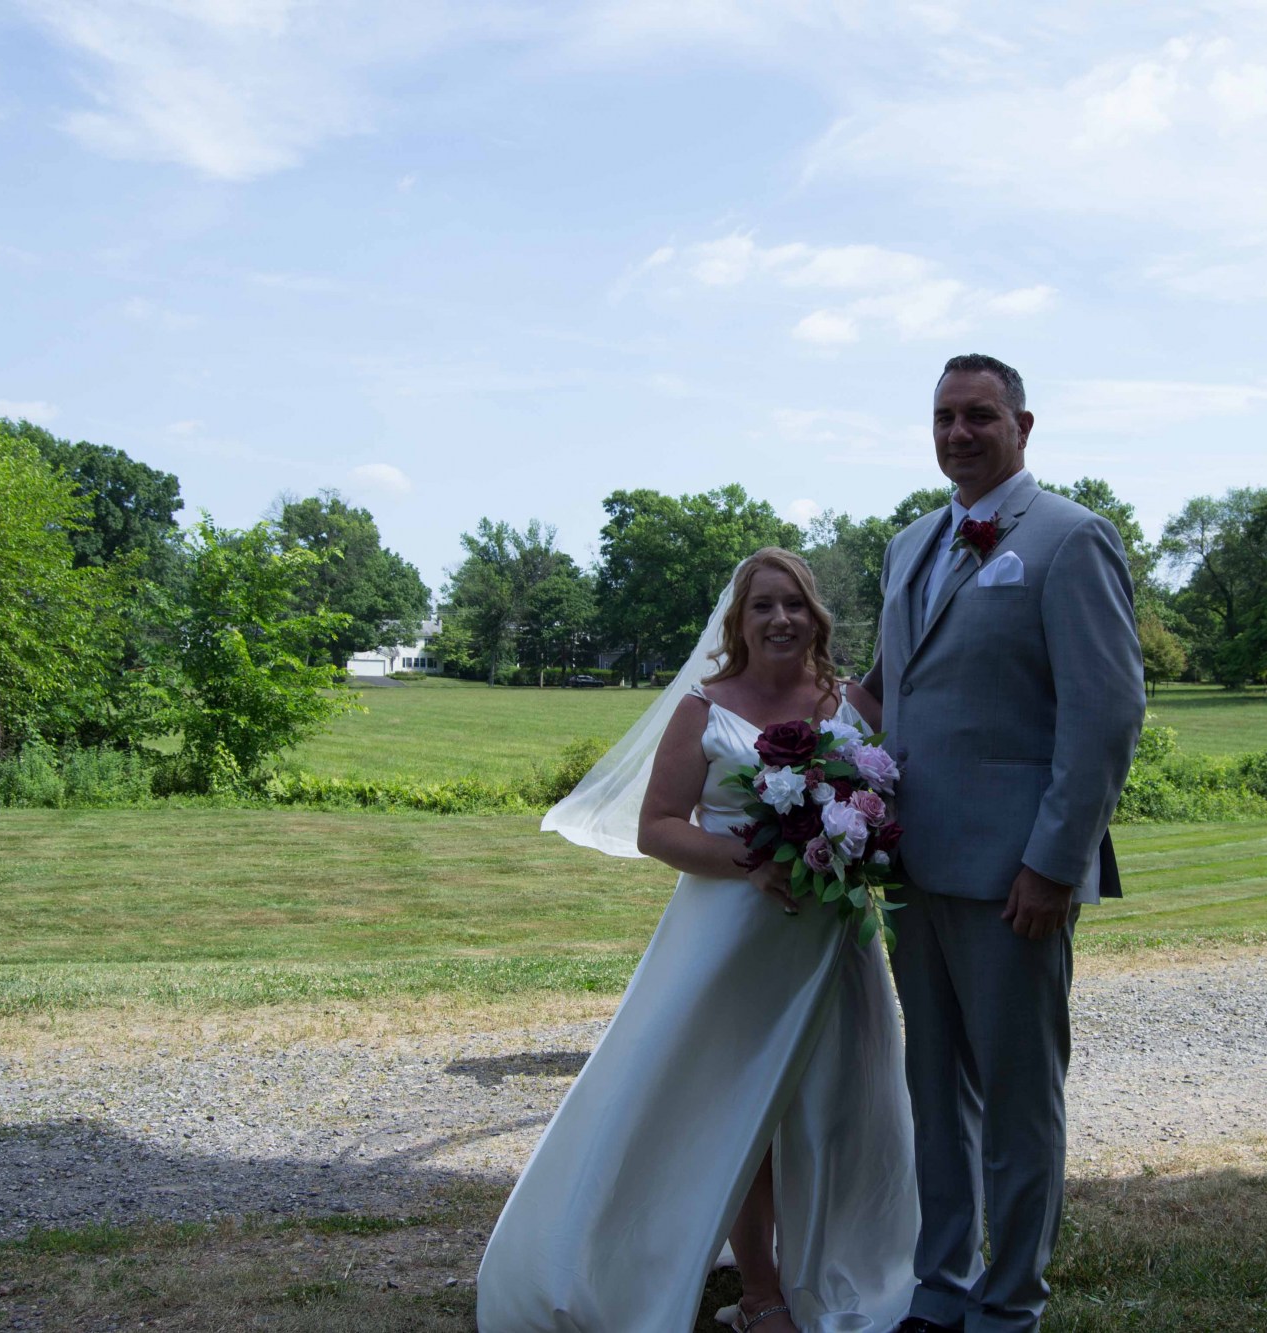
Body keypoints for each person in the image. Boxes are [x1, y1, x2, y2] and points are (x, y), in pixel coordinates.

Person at [475, 547, 918, 1333]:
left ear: (815, 616)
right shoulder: (703, 709)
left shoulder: (851, 705)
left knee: (840, 1105)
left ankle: (840, 1266)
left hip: (834, 943)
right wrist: (755, 860)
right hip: (731, 946)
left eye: (794, 603)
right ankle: (762, 1291)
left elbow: (890, 793)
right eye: (762, 605)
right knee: (734, 1111)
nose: (780, 618)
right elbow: (657, 827)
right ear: (737, 621)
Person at [867, 355, 1145, 1333]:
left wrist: (1054, 862)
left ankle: (1010, 1300)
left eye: (979, 415)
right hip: (912, 869)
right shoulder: (907, 545)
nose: (958, 432)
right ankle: (940, 1286)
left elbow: (1104, 715)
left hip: (1015, 877)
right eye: (944, 415)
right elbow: (886, 692)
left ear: (1022, 426)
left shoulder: (1070, 539)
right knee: (934, 1093)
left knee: (1019, 1100)